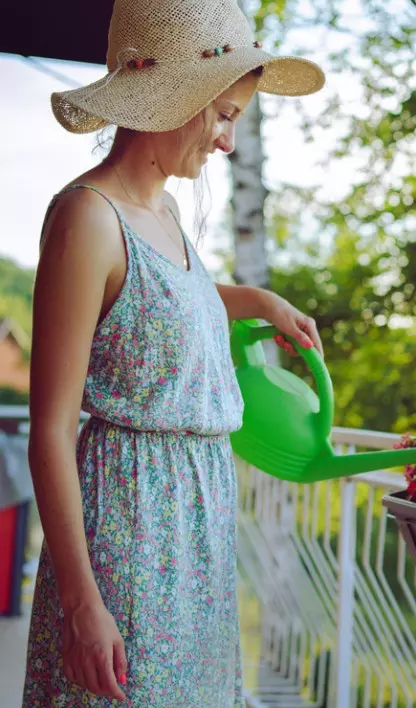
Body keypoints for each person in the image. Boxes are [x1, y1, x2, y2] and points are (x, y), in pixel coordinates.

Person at [23, 0, 326, 704]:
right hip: (129, 531)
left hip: (197, 531)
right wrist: (81, 603)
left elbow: (157, 303)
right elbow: (49, 431)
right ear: (169, 97)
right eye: (222, 116)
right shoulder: (88, 219)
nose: (225, 142)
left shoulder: (163, 211)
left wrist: (257, 301)